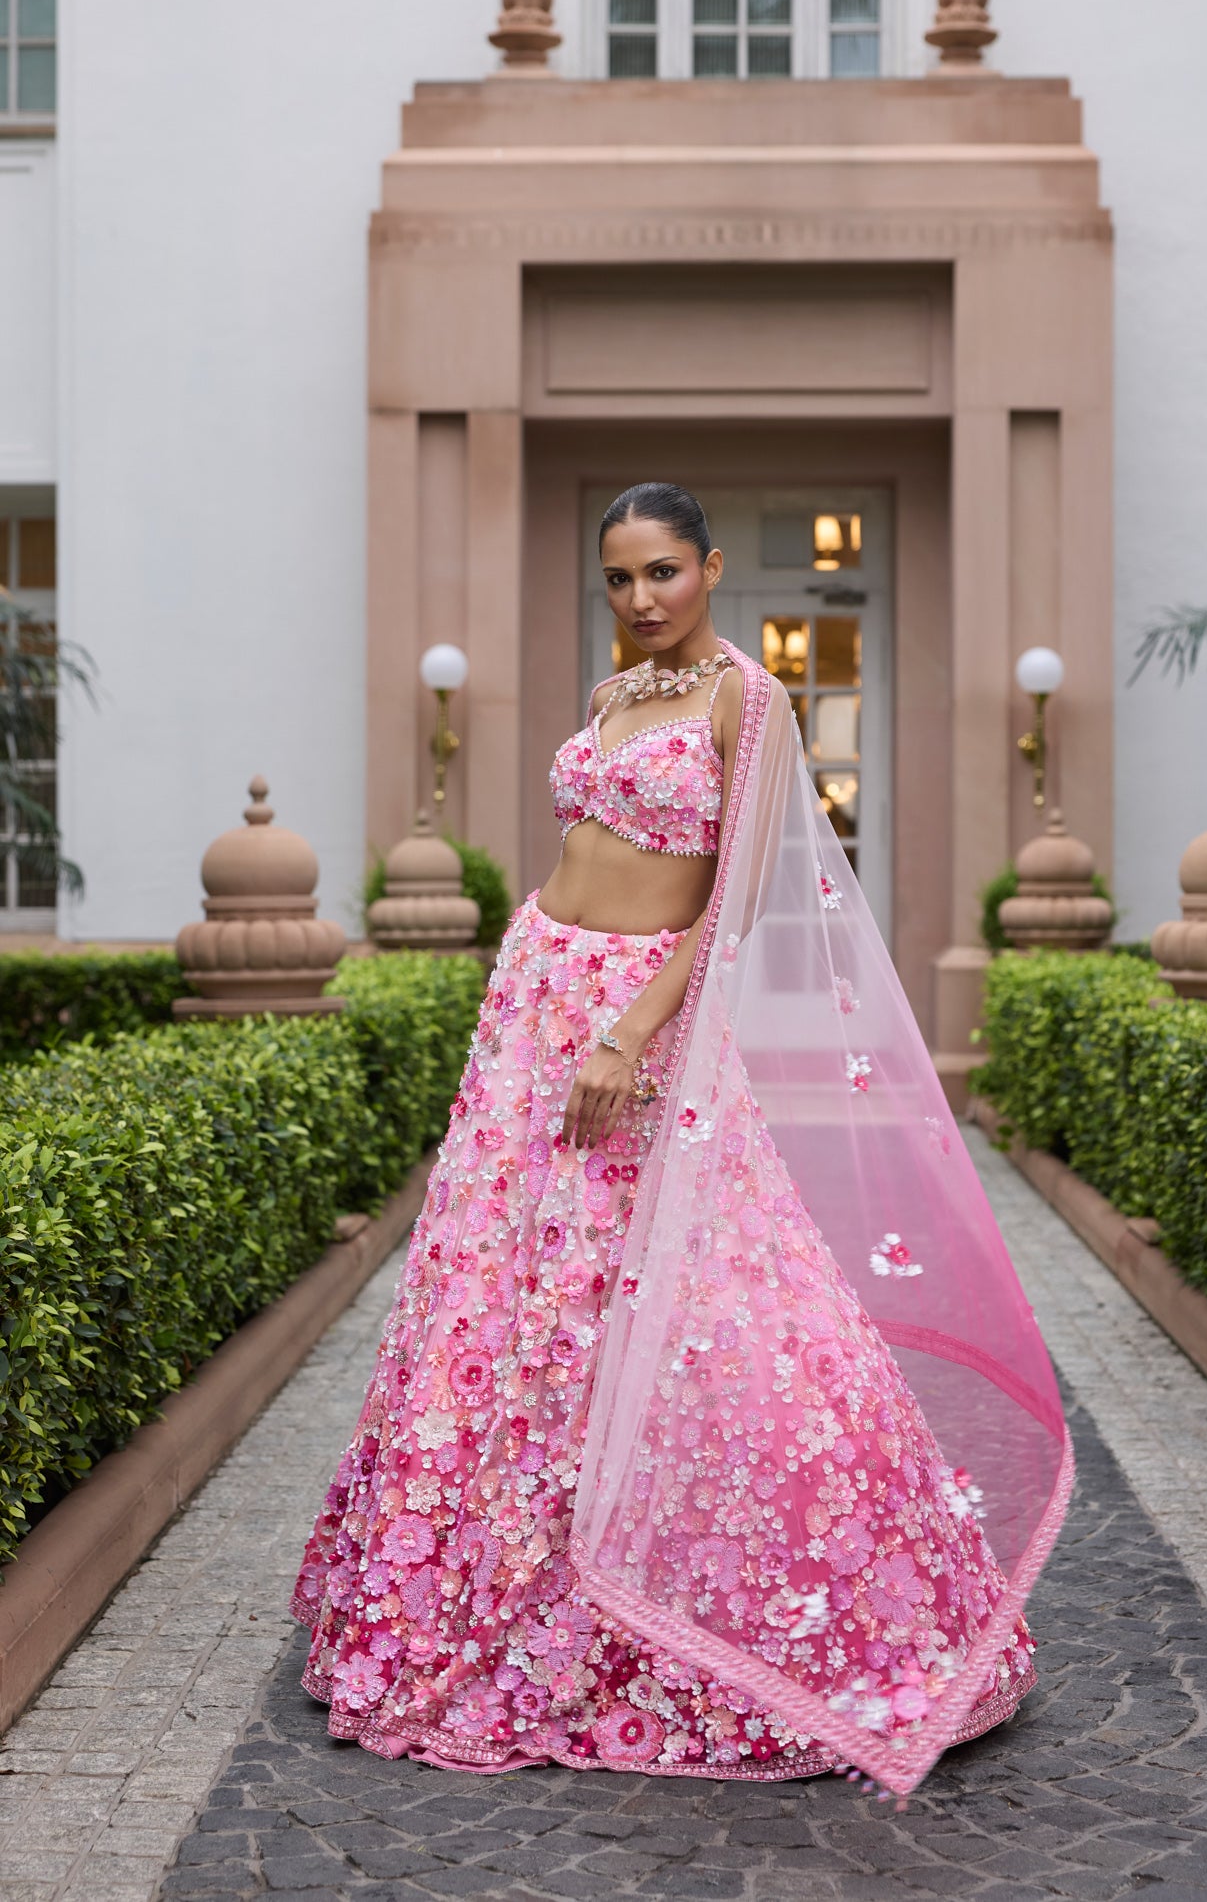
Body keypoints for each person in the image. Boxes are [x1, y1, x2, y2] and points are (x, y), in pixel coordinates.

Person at [292, 482, 1071, 1798]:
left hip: (628, 1022)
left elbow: (735, 909)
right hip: (534, 997)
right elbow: (578, 853)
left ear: (709, 567)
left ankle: (702, 1594)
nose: (640, 598)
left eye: (661, 571)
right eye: (617, 578)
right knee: (503, 1290)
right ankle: (489, 1571)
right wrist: (551, 1002)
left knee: (692, 1284)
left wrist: (627, 1038)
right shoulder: (613, 699)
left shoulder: (739, 702)